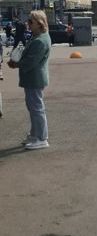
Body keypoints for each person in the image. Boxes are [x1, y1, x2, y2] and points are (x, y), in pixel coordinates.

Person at [8, 9, 51, 150]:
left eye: (31, 22)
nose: (28, 24)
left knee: (37, 108)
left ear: (39, 23)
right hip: (32, 78)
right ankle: (35, 134)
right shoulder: (37, 36)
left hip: (34, 78)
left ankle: (42, 138)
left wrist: (16, 64)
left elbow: (31, 61)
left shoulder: (40, 40)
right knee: (33, 107)